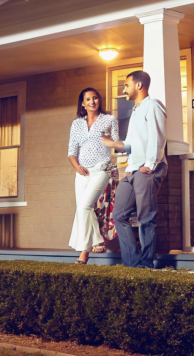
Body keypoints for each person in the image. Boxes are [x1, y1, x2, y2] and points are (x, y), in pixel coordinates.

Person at [101, 70, 167, 268]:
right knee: (119, 215)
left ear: (138, 85)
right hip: (132, 171)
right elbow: (128, 145)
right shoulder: (136, 111)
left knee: (146, 217)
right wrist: (111, 143)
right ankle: (133, 264)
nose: (124, 90)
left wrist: (150, 165)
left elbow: (158, 137)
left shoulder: (153, 106)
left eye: (126, 85)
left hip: (146, 169)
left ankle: (146, 264)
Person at [68, 88, 118, 264]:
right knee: (82, 210)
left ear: (99, 100)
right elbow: (71, 152)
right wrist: (77, 167)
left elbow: (117, 146)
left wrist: (110, 142)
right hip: (82, 173)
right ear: (82, 103)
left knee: (84, 207)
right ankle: (86, 251)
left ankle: (90, 247)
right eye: (88, 99)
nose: (92, 101)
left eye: (95, 98)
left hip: (101, 169)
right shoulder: (77, 124)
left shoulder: (109, 119)